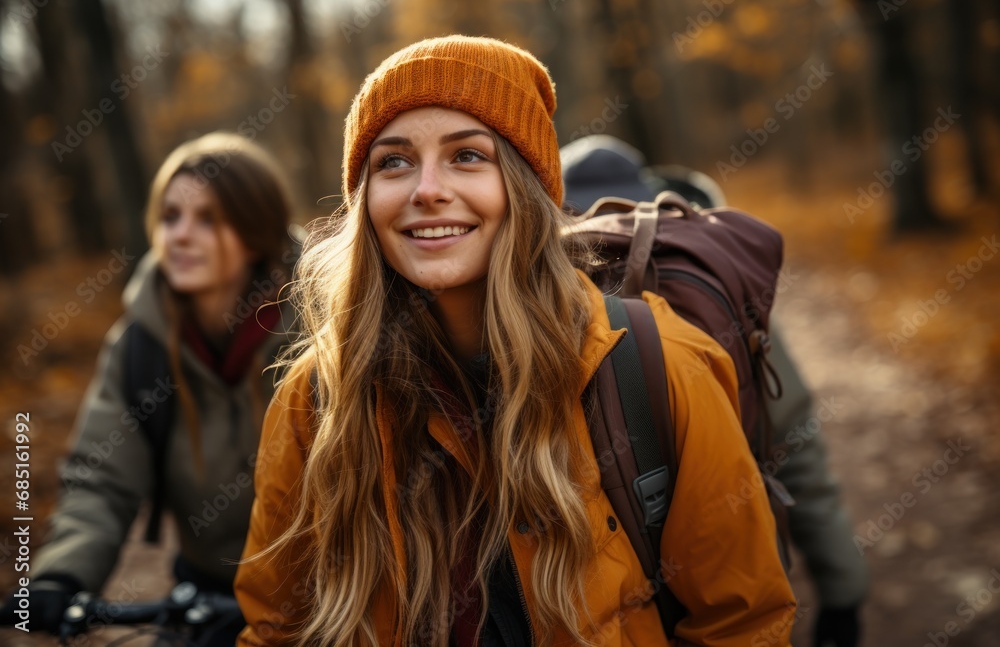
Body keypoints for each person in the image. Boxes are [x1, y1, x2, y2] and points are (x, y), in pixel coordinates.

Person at [235, 35, 795, 647]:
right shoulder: (318, 396)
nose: (426, 189)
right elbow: (275, 628)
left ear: (527, 190)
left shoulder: (656, 364)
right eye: (392, 162)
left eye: (467, 156)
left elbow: (745, 622)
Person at [561, 135, 870, 647]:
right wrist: (844, 589)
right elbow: (797, 446)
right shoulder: (706, 279)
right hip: (739, 578)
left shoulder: (529, 303)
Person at [4, 132, 298, 644]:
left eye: (208, 219)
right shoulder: (140, 348)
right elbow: (100, 478)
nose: (180, 236)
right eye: (170, 217)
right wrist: (60, 575)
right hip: (202, 598)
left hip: (331, 596)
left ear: (256, 230)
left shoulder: (324, 330)